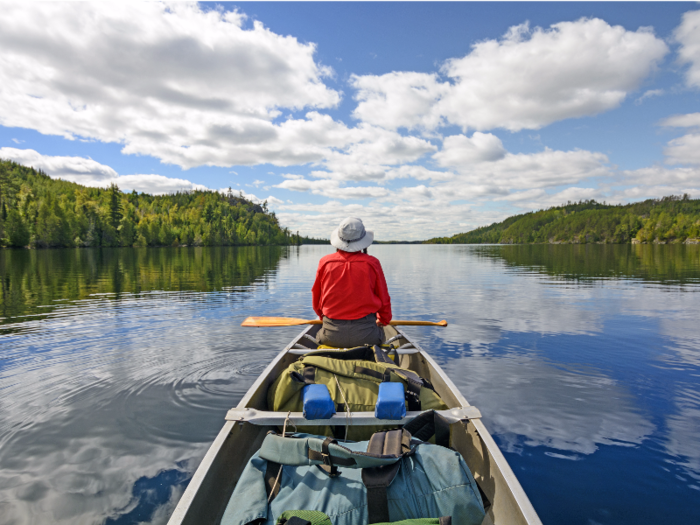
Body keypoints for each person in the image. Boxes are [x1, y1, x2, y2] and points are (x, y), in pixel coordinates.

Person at [312, 217, 392, 348]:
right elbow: (384, 299)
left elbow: (316, 297)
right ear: (363, 241)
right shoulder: (372, 263)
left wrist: (322, 317)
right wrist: (383, 320)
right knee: (381, 334)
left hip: (331, 335)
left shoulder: (325, 262)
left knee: (319, 335)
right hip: (367, 337)